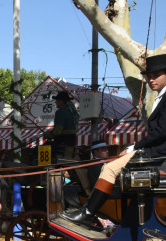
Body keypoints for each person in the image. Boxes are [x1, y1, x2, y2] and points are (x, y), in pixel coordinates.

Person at [61, 54, 166, 230]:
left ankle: (87, 213)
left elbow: (162, 132)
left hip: (157, 154)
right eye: (149, 76)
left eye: (156, 75)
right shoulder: (160, 97)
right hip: (155, 151)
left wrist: (135, 146)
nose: (151, 79)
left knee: (109, 169)